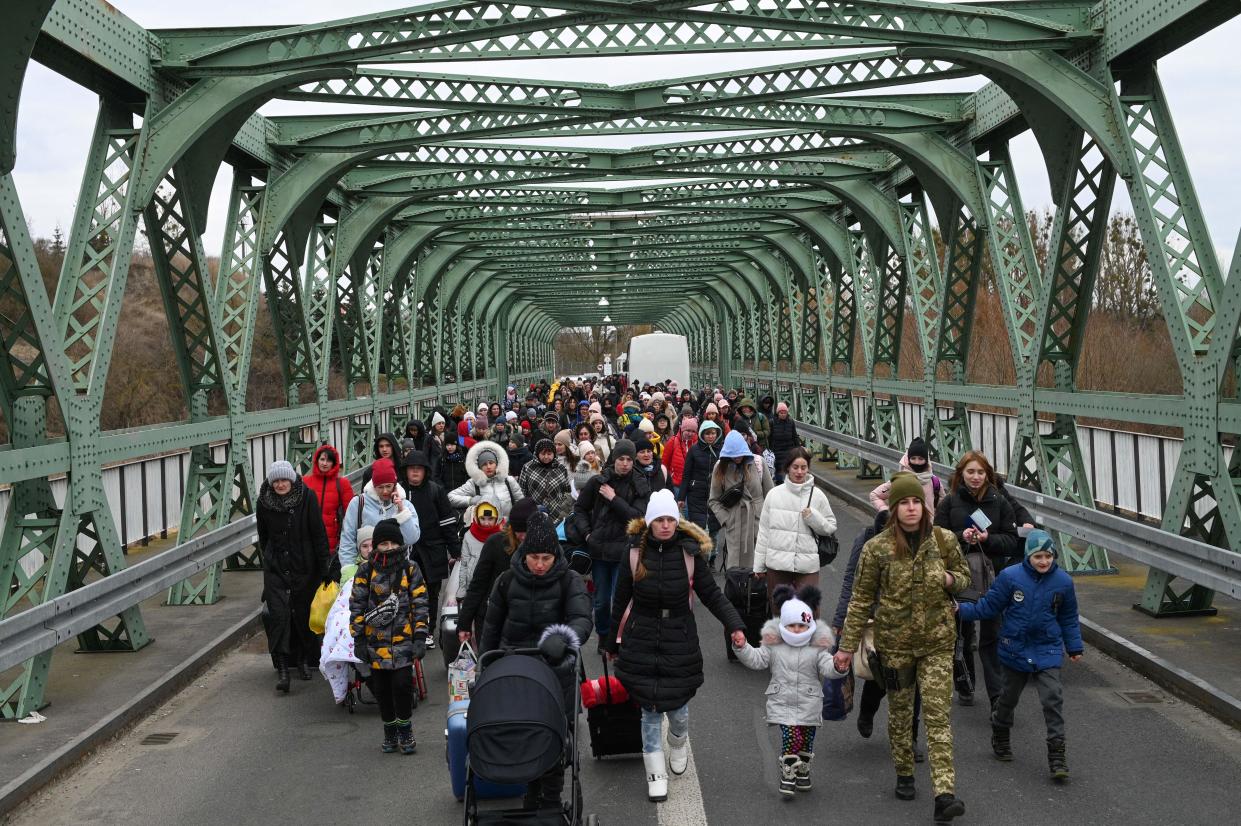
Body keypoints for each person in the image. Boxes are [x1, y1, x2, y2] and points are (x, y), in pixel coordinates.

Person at [835, 472, 971, 823]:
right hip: (894, 644)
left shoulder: (943, 541)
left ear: (925, 506)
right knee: (899, 712)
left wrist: (950, 580)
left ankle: (945, 794)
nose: (911, 508)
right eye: (903, 503)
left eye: (916, 502)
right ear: (893, 509)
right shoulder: (876, 548)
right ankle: (905, 772)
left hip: (937, 643)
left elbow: (965, 576)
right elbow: (861, 598)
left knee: (938, 716)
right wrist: (846, 648)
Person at [604, 489, 746, 803]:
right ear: (650, 522)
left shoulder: (689, 553)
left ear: (676, 521)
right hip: (642, 635)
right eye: (660, 520)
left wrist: (734, 624)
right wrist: (610, 640)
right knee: (649, 710)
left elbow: (712, 595)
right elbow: (620, 600)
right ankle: (656, 773)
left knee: (678, 708)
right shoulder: (634, 553)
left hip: (679, 636)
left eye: (670, 519)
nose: (666, 525)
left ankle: (678, 740)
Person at [480, 510, 593, 812]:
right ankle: (531, 792)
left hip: (556, 669)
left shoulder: (569, 581)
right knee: (522, 732)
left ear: (555, 555)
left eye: (546, 558)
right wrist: (484, 670)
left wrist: (565, 637)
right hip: (514, 665)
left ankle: (551, 799)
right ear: (524, 554)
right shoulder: (506, 582)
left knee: (554, 738)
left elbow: (582, 618)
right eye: (534, 558)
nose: (540, 565)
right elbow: (491, 628)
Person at [957, 529, 1082, 782]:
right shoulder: (1010, 577)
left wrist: (1074, 647)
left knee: (1052, 699)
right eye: (1038, 557)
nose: (1044, 562)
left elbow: (1068, 617)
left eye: (1048, 556)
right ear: (1028, 557)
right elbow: (990, 606)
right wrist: (960, 611)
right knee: (1008, 699)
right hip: (1015, 648)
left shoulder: (1063, 582)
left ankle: (1057, 755)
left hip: (1047, 648)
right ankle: (1000, 731)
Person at [733, 584, 849, 796]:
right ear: (783, 625)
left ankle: (803, 769)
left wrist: (838, 667)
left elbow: (827, 667)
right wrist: (742, 648)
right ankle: (788, 773)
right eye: (792, 625)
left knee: (806, 740)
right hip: (783, 702)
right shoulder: (773, 645)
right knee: (792, 738)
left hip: (809, 703)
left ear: (809, 625)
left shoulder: (817, 646)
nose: (797, 630)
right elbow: (757, 660)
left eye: (801, 626)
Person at [934, 450, 1022, 708]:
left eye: (980, 472)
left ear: (988, 475)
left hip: (992, 578)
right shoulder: (949, 503)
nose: (975, 477)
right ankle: (965, 683)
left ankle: (997, 696)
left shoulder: (1000, 502)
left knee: (991, 635)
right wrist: (962, 536)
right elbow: (937, 540)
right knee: (961, 632)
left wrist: (988, 539)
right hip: (959, 577)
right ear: (961, 474)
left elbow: (1011, 540)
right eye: (970, 472)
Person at [349, 518, 429, 755]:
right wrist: (359, 638)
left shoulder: (410, 569)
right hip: (376, 642)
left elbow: (420, 603)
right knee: (382, 689)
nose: (389, 548)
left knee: (402, 685)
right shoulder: (366, 570)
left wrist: (420, 636)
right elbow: (357, 605)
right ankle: (390, 729)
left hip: (403, 639)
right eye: (383, 543)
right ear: (375, 546)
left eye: (393, 543)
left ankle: (405, 728)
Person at [567, 438, 651, 647]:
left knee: (619, 601)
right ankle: (604, 635)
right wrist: (587, 534)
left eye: (629, 459)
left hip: (624, 550)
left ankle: (617, 639)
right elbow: (580, 509)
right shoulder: (598, 482)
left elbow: (638, 518)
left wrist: (614, 499)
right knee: (602, 601)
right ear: (614, 459)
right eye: (621, 459)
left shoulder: (640, 484)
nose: (625, 463)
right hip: (600, 550)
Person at [256, 460, 330, 692]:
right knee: (279, 616)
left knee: (302, 614)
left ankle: (302, 660)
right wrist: (270, 560)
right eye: (276, 481)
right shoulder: (264, 502)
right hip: (276, 567)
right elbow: (263, 535)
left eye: (284, 480)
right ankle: (283, 668)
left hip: (303, 566)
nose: (280, 484)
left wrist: (324, 567)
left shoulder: (306, 498)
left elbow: (318, 534)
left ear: (292, 479)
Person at [753, 447, 836, 608]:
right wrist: (759, 565)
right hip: (777, 563)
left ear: (808, 469)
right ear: (788, 468)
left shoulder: (817, 495)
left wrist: (813, 517)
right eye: (795, 467)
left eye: (803, 467)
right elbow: (764, 532)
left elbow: (830, 527)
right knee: (779, 610)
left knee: (809, 609)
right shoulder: (774, 495)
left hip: (807, 564)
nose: (799, 472)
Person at [399, 449, 461, 651]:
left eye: (419, 469)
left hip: (432, 548)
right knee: (405, 591)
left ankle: (427, 630)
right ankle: (408, 629)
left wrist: (455, 550)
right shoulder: (399, 492)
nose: (415, 473)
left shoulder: (435, 491)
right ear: (406, 471)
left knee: (431, 592)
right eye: (411, 469)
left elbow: (447, 522)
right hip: (407, 550)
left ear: (425, 471)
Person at [458, 498, 537, 644]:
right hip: (491, 617)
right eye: (519, 531)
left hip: (527, 620)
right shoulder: (495, 543)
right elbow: (478, 585)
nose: (523, 536)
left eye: (527, 531)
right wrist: (464, 623)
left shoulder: (542, 545)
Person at [320, 525, 371, 705]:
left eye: (372, 545)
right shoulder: (350, 570)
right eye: (364, 546)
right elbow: (345, 595)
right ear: (359, 549)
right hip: (354, 606)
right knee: (344, 625)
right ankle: (362, 668)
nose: (369, 550)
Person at [338, 458, 419, 568]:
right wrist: (349, 570)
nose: (385, 491)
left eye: (388, 486)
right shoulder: (358, 503)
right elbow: (347, 539)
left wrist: (401, 511)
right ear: (373, 485)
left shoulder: (406, 506)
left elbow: (412, 539)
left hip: (398, 570)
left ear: (395, 485)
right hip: (367, 571)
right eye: (380, 487)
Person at [709, 430, 772, 570]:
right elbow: (713, 500)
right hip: (735, 524)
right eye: (733, 454)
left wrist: (768, 520)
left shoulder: (758, 463)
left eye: (740, 453)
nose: (737, 457)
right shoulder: (720, 468)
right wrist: (727, 519)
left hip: (758, 522)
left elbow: (771, 495)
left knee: (760, 569)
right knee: (736, 571)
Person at [306, 444, 354, 572]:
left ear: (334, 462)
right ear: (317, 461)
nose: (325, 463)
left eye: (329, 460)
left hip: (333, 541)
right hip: (309, 540)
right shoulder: (305, 482)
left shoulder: (342, 484)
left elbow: (351, 514)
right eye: (322, 459)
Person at [449, 439, 523, 518]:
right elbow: (451, 497)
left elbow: (521, 503)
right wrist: (471, 500)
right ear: (480, 467)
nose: (488, 467)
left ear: (496, 464)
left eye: (491, 463)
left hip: (508, 527)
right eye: (484, 464)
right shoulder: (474, 483)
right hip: (486, 527)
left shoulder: (508, 480)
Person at [870, 436, 942, 512]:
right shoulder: (898, 481)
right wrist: (884, 510)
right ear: (908, 460)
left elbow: (942, 505)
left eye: (921, 459)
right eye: (913, 458)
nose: (917, 462)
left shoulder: (935, 482)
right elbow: (874, 495)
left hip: (927, 524)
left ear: (926, 460)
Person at [678, 420, 722, 539]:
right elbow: (686, 474)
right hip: (696, 493)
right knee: (698, 526)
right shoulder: (694, 450)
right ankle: (699, 553)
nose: (711, 436)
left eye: (713, 433)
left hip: (716, 493)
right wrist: (681, 497)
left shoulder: (722, 450)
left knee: (715, 524)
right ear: (702, 434)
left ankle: (712, 552)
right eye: (707, 433)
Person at [520, 437, 575, 524]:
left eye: (549, 454)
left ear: (554, 454)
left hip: (558, 514)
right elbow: (522, 491)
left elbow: (567, 491)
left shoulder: (561, 468)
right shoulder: (528, 467)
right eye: (543, 454)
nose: (546, 457)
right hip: (535, 513)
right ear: (537, 453)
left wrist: (563, 510)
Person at [662, 416, 697, 492]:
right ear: (682, 429)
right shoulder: (673, 441)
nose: (690, 433)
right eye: (688, 430)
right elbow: (664, 464)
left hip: (693, 485)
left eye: (693, 431)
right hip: (676, 485)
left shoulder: (697, 443)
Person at [768, 403, 800, 484]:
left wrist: (798, 449)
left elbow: (794, 436)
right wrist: (770, 449)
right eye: (781, 413)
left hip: (789, 449)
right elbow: (769, 437)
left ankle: (790, 484)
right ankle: (779, 484)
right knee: (778, 469)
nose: (783, 414)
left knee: (789, 468)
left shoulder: (791, 422)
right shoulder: (772, 422)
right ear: (777, 413)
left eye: (784, 412)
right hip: (777, 450)